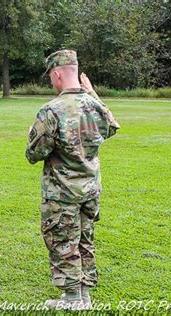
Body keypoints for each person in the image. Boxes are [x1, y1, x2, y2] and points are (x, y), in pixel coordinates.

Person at [25, 50, 120, 310]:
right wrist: (92, 93)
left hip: (62, 192)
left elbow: (34, 153)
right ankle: (84, 295)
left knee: (62, 240)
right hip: (90, 190)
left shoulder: (51, 110)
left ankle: (72, 299)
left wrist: (31, 138)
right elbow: (111, 126)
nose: (51, 82)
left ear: (57, 74)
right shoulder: (94, 105)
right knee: (84, 239)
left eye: (50, 77)